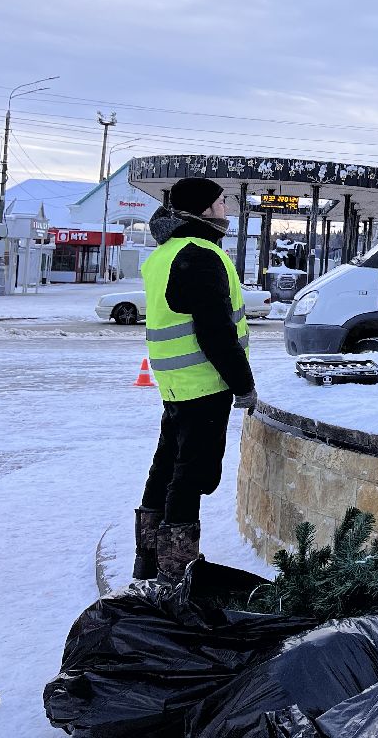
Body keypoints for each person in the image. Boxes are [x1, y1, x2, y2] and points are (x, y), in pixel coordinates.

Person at [135, 177, 257, 583]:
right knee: (191, 476)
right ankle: (175, 574)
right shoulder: (200, 254)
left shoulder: (166, 253)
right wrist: (243, 384)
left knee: (166, 468)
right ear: (204, 209)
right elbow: (215, 330)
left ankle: (149, 561)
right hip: (205, 383)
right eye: (222, 202)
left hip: (175, 383)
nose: (227, 209)